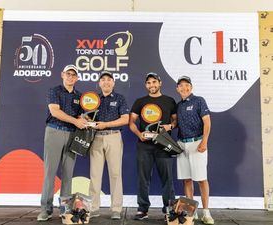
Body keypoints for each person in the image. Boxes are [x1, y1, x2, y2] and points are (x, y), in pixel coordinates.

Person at [37, 65, 87, 221]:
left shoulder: (80, 96)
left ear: (77, 78)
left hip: (72, 135)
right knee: (50, 173)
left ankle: (65, 210)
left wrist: (85, 120)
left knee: (68, 174)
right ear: (62, 74)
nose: (70, 77)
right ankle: (46, 209)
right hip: (54, 131)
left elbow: (81, 117)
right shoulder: (54, 91)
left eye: (74, 75)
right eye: (68, 74)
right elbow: (55, 111)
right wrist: (75, 121)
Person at [129, 72, 177, 220]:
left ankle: (168, 210)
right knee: (143, 178)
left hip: (164, 144)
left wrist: (170, 126)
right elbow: (131, 122)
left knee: (167, 178)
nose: (152, 85)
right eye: (149, 83)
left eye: (154, 82)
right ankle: (142, 209)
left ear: (160, 83)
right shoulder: (140, 101)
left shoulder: (170, 101)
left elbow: (175, 121)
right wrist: (139, 134)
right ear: (146, 85)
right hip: (145, 146)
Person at [89, 71, 129, 220]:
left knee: (115, 174)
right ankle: (93, 208)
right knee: (95, 174)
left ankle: (116, 209)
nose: (106, 82)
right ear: (99, 83)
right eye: (103, 80)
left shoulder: (120, 99)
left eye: (109, 80)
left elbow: (125, 119)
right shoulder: (93, 99)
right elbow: (86, 116)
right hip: (96, 138)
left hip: (113, 137)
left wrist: (106, 124)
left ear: (113, 83)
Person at [175, 76, 214, 225]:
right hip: (182, 145)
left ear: (191, 87)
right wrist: (169, 126)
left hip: (197, 143)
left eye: (187, 85)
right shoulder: (178, 105)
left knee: (201, 179)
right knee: (187, 179)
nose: (184, 88)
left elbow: (207, 122)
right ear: (177, 89)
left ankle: (206, 212)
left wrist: (204, 141)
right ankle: (191, 212)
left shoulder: (199, 100)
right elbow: (176, 124)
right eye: (181, 85)